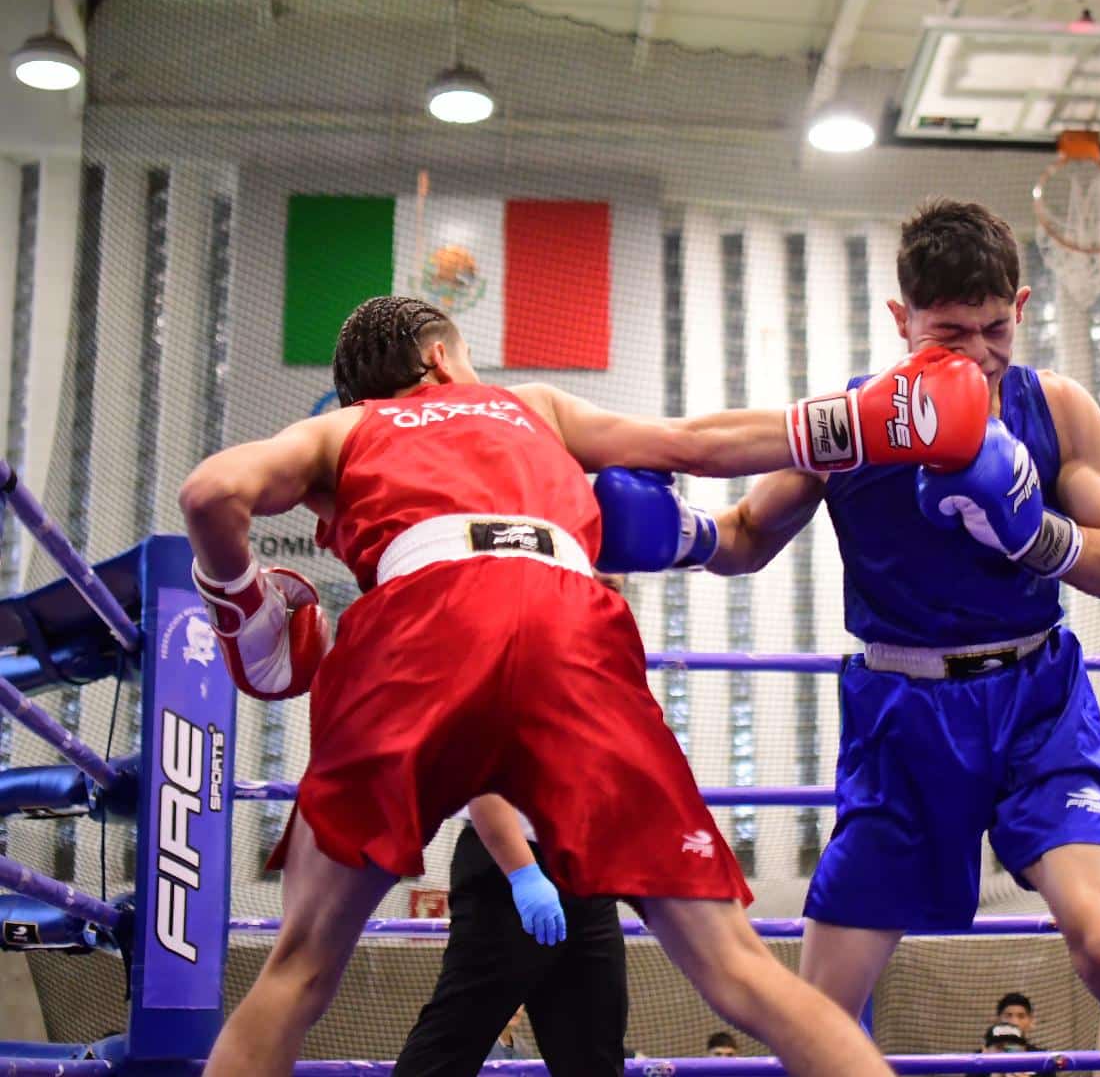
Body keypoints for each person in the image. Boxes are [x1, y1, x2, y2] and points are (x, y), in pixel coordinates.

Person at [181, 294, 990, 1077]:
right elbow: (696, 445)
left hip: (415, 632)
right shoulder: (529, 405)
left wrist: (243, 605)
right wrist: (857, 422)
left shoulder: (345, 427)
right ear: (439, 357)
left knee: (298, 972)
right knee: (738, 967)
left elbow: (211, 494)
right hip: (567, 620)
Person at [592, 197, 1100, 1077]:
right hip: (901, 720)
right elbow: (750, 536)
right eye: (951, 334)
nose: (981, 356)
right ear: (901, 319)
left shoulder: (1056, 408)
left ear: (1022, 310)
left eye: (997, 329)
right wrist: (678, 537)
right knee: (819, 1011)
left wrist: (1035, 534)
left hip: (1037, 706)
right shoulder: (850, 422)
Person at [393, 795, 626, 1076]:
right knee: (454, 1038)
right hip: (511, 860)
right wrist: (522, 873)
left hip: (591, 872)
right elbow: (486, 773)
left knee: (594, 1052)